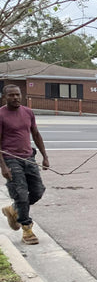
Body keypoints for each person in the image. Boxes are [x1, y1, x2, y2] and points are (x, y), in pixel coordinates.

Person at [0, 84, 50, 244]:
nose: (15, 97)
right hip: (10, 158)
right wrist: (3, 166)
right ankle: (27, 229)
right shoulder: (1, 115)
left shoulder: (28, 112)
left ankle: (13, 209)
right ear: (4, 97)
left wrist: (45, 156)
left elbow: (36, 134)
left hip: (29, 157)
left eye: (17, 94)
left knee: (38, 191)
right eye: (11, 95)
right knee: (21, 194)